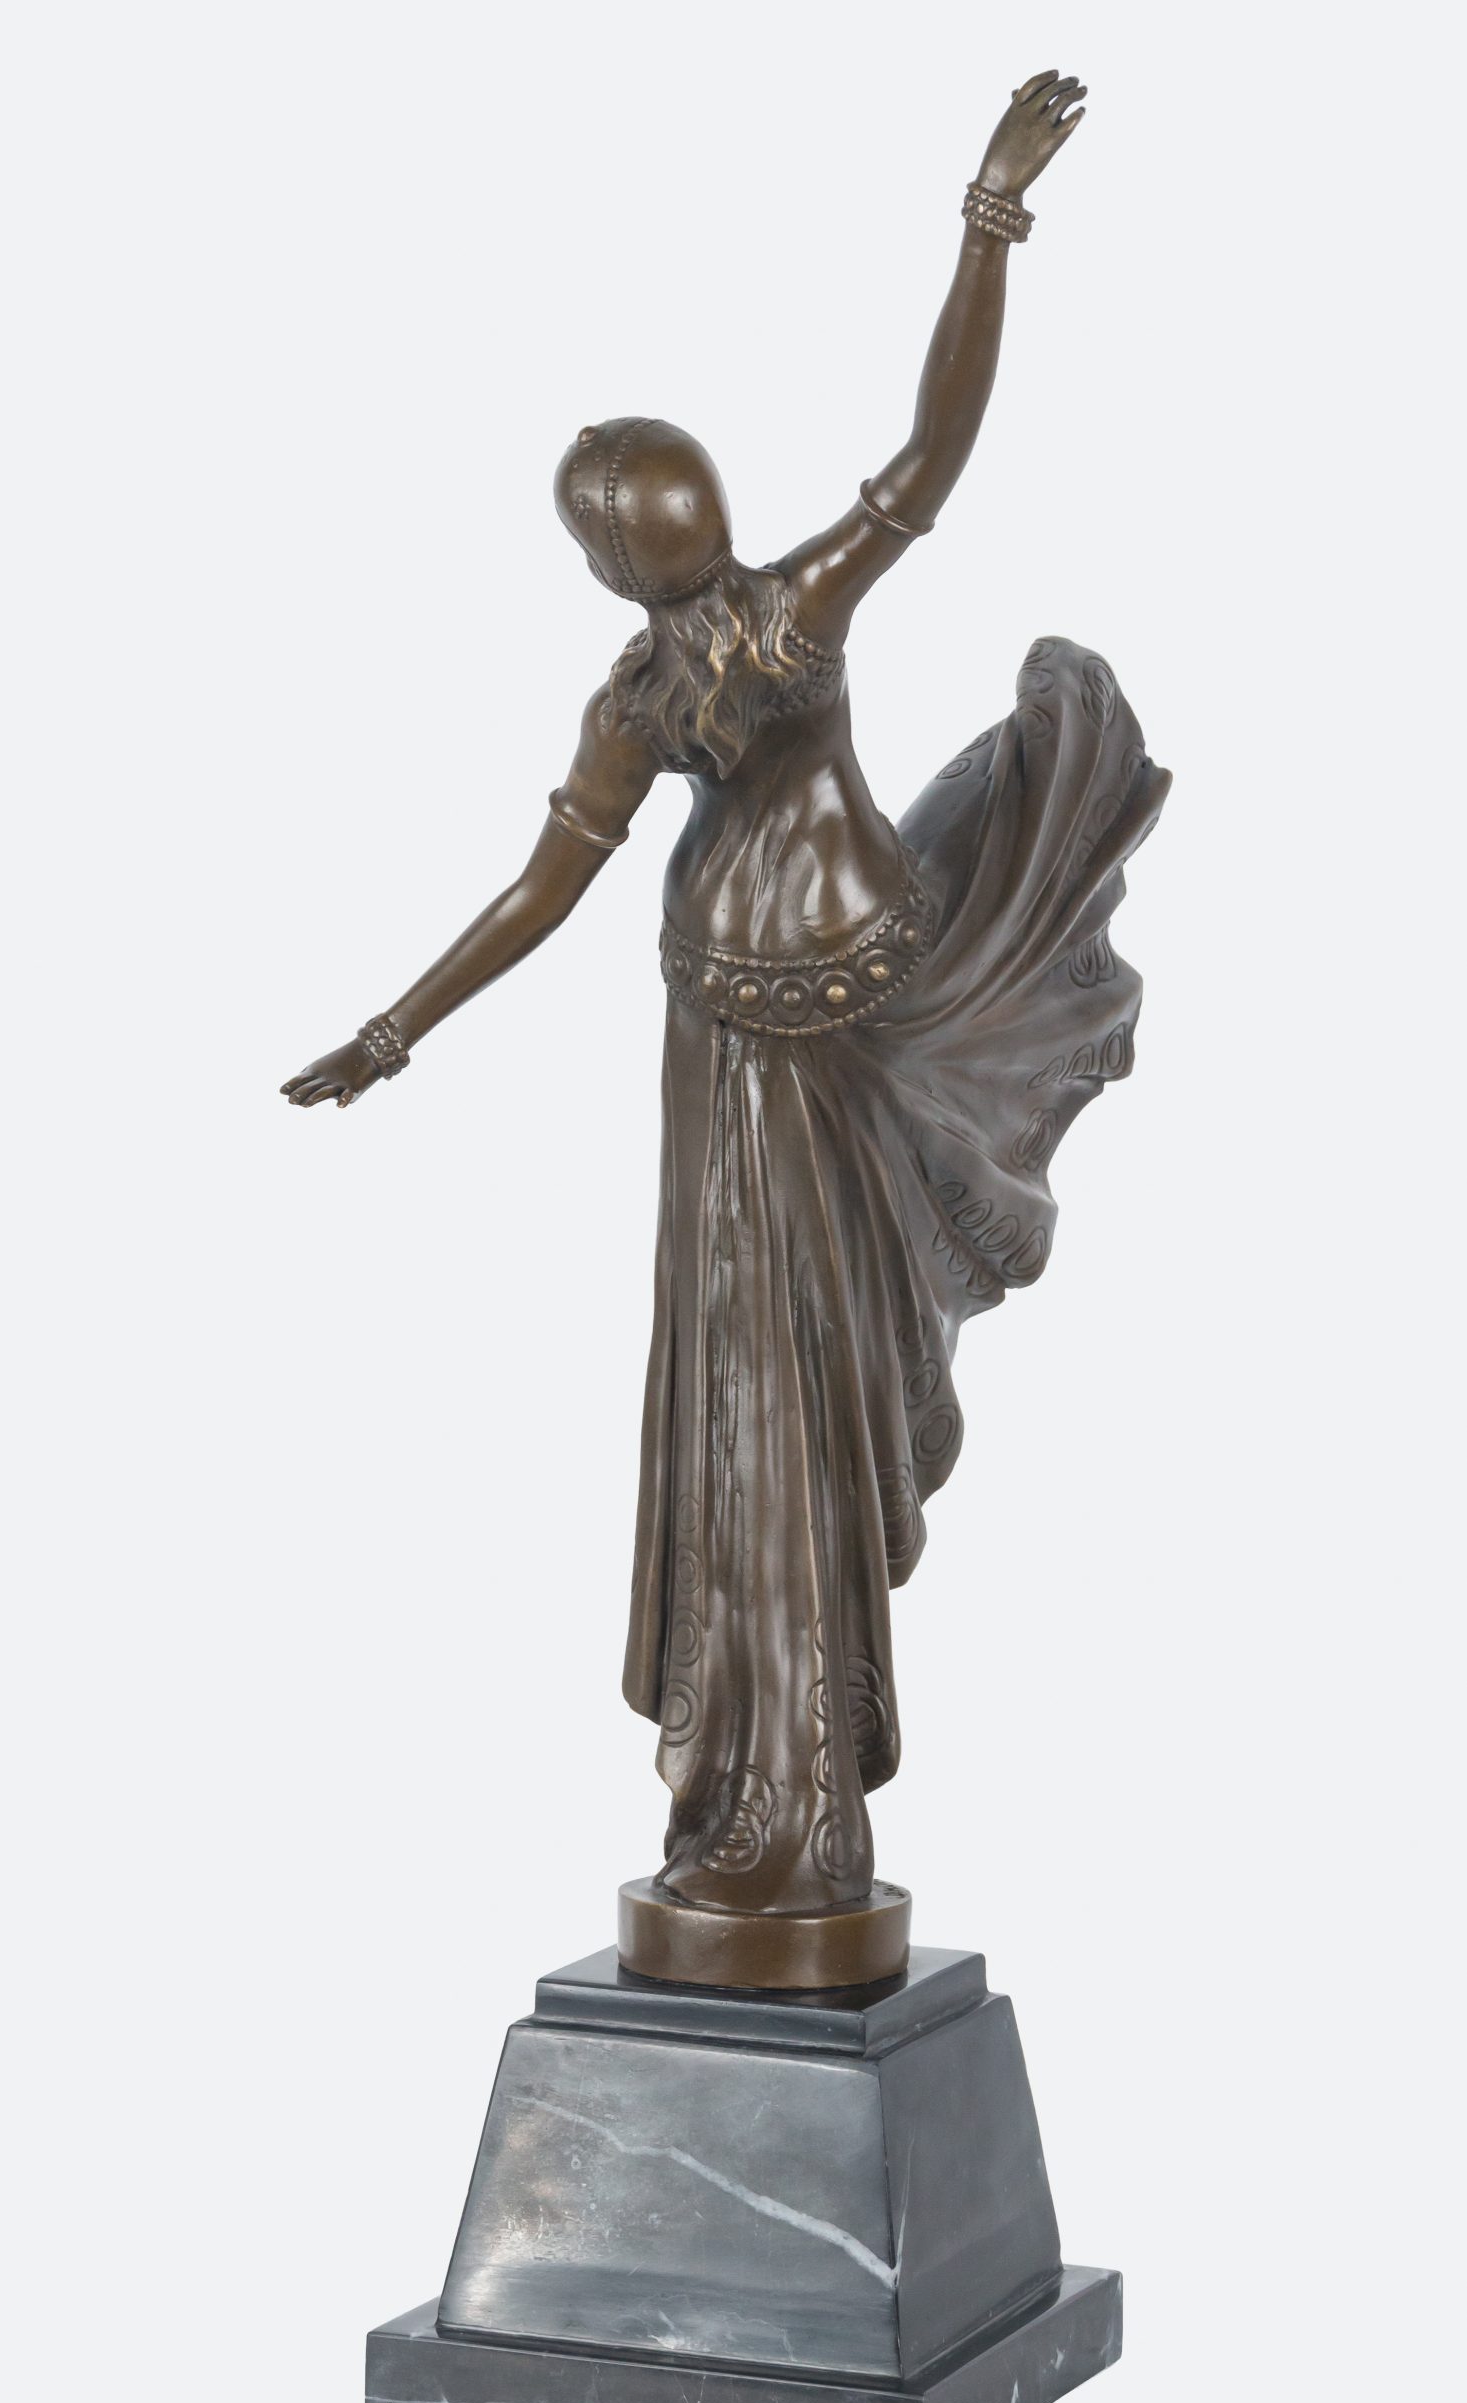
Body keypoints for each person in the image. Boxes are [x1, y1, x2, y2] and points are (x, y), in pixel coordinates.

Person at [283, 69, 1170, 1936]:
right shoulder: (695, 665)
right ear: (652, 546)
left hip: (840, 1026)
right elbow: (547, 879)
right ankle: (762, 1798)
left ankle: (792, 1802)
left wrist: (988, 222)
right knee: (755, 1391)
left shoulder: (745, 635)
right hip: (731, 1046)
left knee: (799, 1381)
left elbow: (930, 457)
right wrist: (397, 1026)